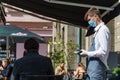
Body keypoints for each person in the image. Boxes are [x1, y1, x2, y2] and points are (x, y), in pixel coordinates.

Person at [79, 8, 111, 80]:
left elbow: (103, 51)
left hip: (97, 69)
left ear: (96, 16)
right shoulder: (98, 31)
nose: (89, 22)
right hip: (93, 70)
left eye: (90, 19)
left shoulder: (103, 30)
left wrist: (87, 53)